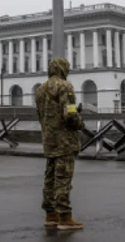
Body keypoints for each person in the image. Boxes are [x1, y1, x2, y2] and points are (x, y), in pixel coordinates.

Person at [35, 57, 84, 230]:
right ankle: (64, 217)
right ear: (63, 69)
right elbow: (70, 113)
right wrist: (80, 122)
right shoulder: (65, 86)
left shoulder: (40, 89)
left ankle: (50, 214)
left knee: (49, 178)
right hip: (64, 141)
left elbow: (41, 116)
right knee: (63, 178)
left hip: (49, 140)